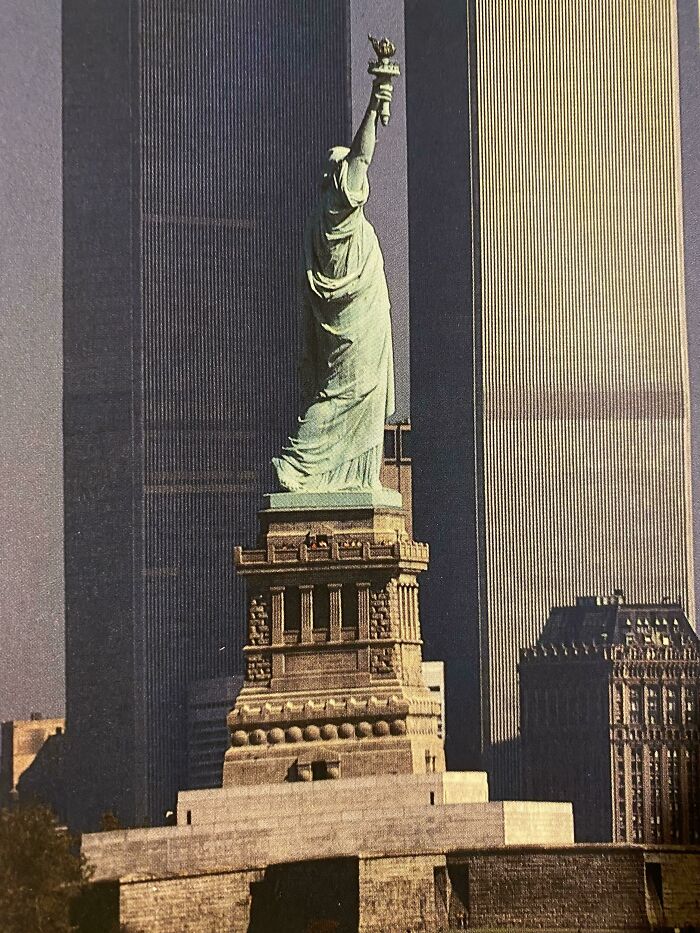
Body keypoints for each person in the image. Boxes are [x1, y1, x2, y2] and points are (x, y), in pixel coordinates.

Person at [272, 78, 395, 492]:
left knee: (351, 393)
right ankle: (298, 465)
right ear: (339, 181)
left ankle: (355, 477)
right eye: (349, 175)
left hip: (356, 322)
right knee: (348, 393)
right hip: (354, 327)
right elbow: (362, 156)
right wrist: (376, 101)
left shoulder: (321, 221)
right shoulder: (336, 212)